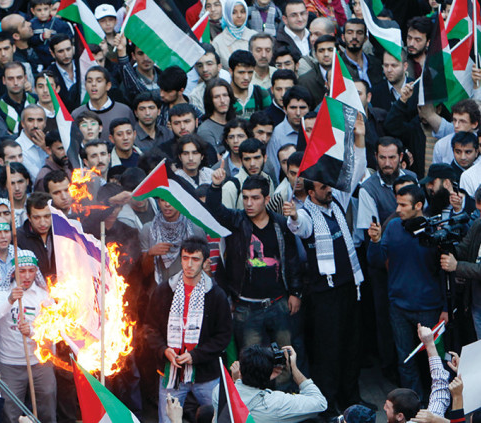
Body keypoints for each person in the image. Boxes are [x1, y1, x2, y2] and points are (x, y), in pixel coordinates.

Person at [282, 114, 367, 418]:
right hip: (324, 295)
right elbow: (299, 226)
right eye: (322, 186)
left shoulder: (337, 201)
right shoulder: (306, 213)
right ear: (311, 191)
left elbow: (357, 170)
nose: (329, 189)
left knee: (352, 347)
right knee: (329, 351)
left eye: (329, 184)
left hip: (350, 288)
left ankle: (352, 399)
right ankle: (328, 405)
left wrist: (359, 137)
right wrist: (293, 215)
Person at [367, 184, 447, 403]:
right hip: (399, 308)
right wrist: (375, 242)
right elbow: (375, 261)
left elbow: (444, 272)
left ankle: (439, 403)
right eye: (397, 203)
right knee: (405, 359)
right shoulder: (393, 227)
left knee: (436, 358)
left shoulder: (435, 229)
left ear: (418, 205)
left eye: (403, 205)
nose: (398, 209)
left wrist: (445, 308)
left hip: (430, 308)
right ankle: (414, 405)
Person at [207, 171, 302, 350]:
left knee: (287, 356)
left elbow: (292, 259)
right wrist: (215, 186)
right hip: (246, 306)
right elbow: (215, 210)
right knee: (251, 360)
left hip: (278, 302)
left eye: (255, 198)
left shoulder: (281, 223)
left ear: (267, 199)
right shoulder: (236, 220)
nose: (249, 203)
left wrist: (295, 292)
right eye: (245, 198)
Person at [144, 236, 233, 423]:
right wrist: (163, 350)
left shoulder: (216, 295)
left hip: (206, 374)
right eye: (185, 258)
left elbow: (223, 336)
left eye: (195, 259)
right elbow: (150, 328)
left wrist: (196, 355)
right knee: (167, 421)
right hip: (171, 373)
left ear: (206, 262)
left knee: (219, 419)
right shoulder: (164, 290)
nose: (189, 264)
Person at [0, 248, 55, 423]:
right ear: (13, 272)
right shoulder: (1, 294)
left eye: (31, 271)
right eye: (22, 271)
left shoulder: (44, 296)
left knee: (47, 410)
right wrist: (10, 300)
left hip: (40, 363)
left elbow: (54, 332)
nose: (27, 276)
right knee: (10, 414)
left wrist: (32, 332)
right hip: (10, 364)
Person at [230, 344, 327, 422]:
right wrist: (294, 369)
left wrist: (236, 381)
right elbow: (320, 403)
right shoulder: (276, 403)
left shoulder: (224, 393)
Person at [441, 186, 481, 339]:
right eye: (479, 211)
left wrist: (457, 266)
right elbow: (464, 248)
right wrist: (445, 246)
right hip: (476, 304)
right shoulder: (478, 225)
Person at [0, 62, 38, 136]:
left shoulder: (36, 100)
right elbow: (4, 138)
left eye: (19, 78)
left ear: (25, 78)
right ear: (4, 80)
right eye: (10, 79)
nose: (15, 83)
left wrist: (14, 136)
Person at [211, 0, 257, 68]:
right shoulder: (218, 42)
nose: (239, 16)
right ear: (227, 14)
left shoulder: (254, 36)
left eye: (242, 12)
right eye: (234, 12)